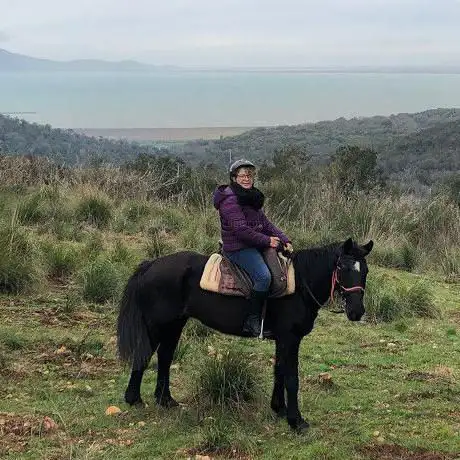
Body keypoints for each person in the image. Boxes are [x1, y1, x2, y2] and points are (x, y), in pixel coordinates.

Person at [213, 159, 292, 336]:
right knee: (263, 277)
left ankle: (272, 317)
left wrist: (284, 239)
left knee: (280, 271)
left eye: (250, 175)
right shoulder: (230, 200)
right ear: (234, 178)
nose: (247, 179)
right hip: (238, 247)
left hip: (253, 243)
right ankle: (252, 321)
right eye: (242, 175)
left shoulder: (250, 197)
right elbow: (241, 230)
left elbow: (265, 223)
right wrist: (268, 241)